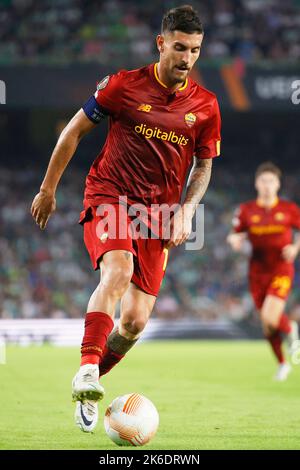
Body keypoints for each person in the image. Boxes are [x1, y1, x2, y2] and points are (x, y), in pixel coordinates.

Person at [31, 5, 221, 432]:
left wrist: (186, 211)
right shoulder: (123, 86)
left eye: (194, 50)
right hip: (111, 195)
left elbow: (204, 166)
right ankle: (85, 369)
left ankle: (91, 378)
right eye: (178, 47)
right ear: (161, 43)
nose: (186, 58)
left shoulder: (206, 106)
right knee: (117, 272)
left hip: (159, 214)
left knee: (134, 322)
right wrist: (47, 188)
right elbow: (73, 131)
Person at [227, 162, 300, 381]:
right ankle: (282, 363)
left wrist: (295, 248)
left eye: (271, 181)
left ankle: (293, 335)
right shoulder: (247, 210)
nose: (267, 185)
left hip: (281, 269)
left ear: (277, 184)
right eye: (263, 181)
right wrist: (235, 241)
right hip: (257, 272)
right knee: (268, 325)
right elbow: (234, 234)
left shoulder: (289, 209)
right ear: (257, 184)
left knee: (271, 315)